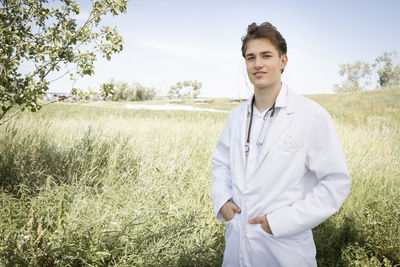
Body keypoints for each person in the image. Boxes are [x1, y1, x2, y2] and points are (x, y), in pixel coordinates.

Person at [211, 22, 351, 267]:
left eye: (266, 56)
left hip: (285, 249)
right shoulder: (236, 116)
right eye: (250, 57)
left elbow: (336, 183)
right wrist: (222, 199)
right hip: (238, 245)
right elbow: (221, 163)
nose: (258, 64)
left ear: (283, 61)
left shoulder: (310, 115)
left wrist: (281, 222)